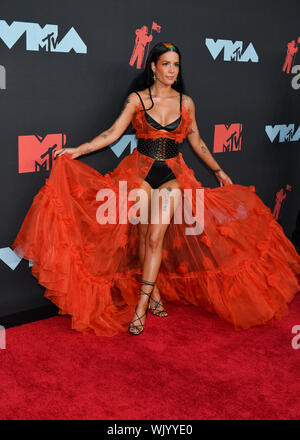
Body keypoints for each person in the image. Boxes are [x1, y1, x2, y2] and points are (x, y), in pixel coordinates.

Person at [12, 42, 300, 337]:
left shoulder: (186, 103)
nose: (172, 70)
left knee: (154, 238)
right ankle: (155, 294)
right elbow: (112, 134)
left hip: (172, 174)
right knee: (140, 233)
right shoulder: (137, 99)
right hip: (139, 170)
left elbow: (197, 141)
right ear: (153, 67)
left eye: (176, 65)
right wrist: (77, 151)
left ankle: (141, 305)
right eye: (166, 64)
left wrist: (218, 170)